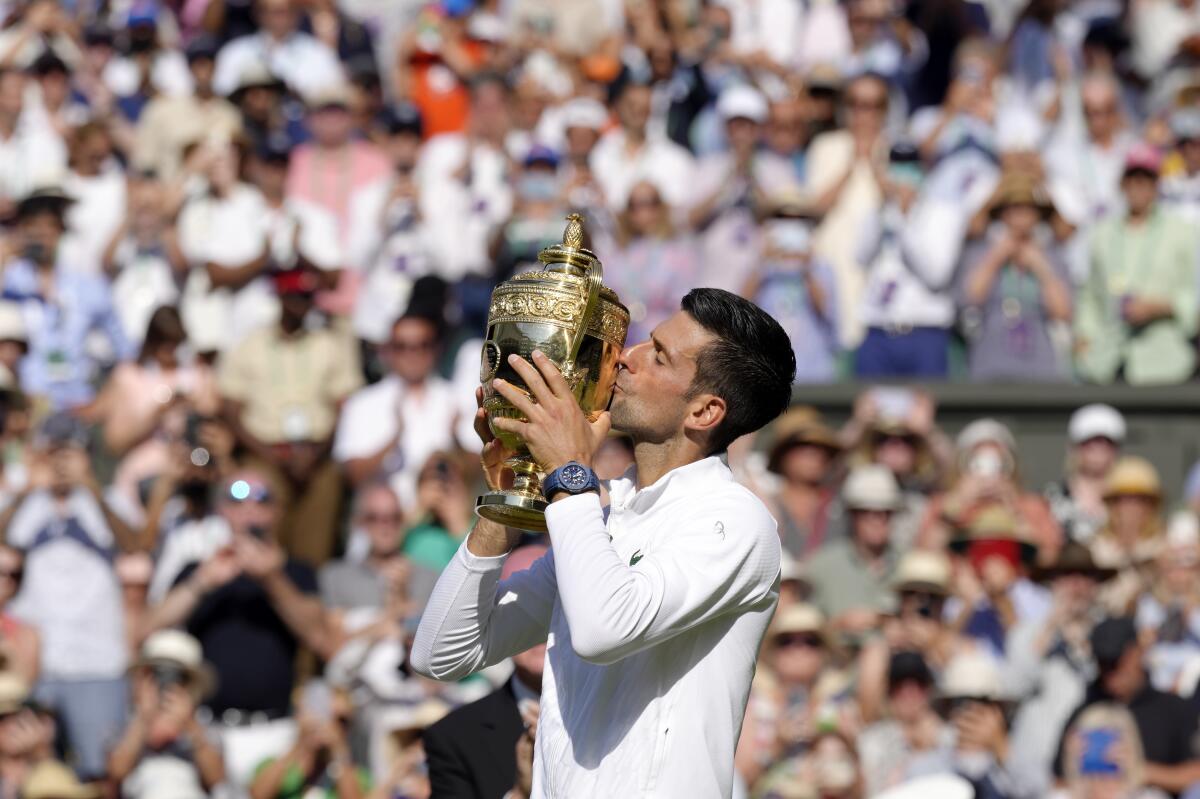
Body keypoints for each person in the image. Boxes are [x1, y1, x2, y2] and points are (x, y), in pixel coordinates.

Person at [411, 287, 796, 796]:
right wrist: (511, 498)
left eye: (657, 354)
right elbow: (441, 653)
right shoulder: (603, 508)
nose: (625, 357)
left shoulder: (737, 520)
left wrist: (569, 473)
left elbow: (602, 631)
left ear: (704, 412)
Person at [146, 470, 332, 787]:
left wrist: (272, 579)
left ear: (276, 511)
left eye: (261, 499)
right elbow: (148, 628)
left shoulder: (297, 572)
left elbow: (320, 639)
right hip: (207, 729)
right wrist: (202, 582)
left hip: (274, 732)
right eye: (236, 499)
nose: (248, 509)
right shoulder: (198, 569)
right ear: (222, 510)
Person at [4, 414, 140, 779]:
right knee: (27, 772)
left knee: (99, 772)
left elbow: (137, 546)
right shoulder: (22, 501)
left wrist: (92, 489)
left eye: (70, 452)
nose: (61, 462)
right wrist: (25, 490)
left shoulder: (108, 499)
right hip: (34, 664)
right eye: (53, 452)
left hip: (97, 662)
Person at [218, 263, 363, 566]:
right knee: (261, 522)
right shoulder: (250, 344)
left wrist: (317, 452)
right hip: (264, 454)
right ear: (281, 298)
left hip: (317, 456)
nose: (302, 303)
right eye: (295, 296)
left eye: (308, 296)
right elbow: (230, 410)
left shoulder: (329, 343)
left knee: (315, 540)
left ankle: (308, 592)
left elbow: (344, 407)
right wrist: (271, 456)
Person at [423, 546, 548, 799]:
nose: (538, 629)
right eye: (521, 612)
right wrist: (520, 794)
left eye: (551, 610)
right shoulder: (455, 738)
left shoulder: (624, 710)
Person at [1075, 143, 1200, 385]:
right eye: (1133, 179)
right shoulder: (1103, 234)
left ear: (1156, 185)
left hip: (1165, 361)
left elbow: (1195, 296)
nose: (1138, 187)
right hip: (1107, 360)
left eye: (1146, 180)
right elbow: (1089, 294)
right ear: (1123, 183)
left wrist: (1162, 307)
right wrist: (1083, 336)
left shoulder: (1184, 233)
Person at [0, 187, 132, 409]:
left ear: (61, 231)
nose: (41, 234)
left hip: (78, 403)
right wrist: (8, 250)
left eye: (49, 226)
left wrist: (102, 402)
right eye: (33, 226)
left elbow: (126, 351)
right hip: (25, 404)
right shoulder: (10, 281)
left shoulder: (85, 286)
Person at [1006, 541, 1116, 795]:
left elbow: (1110, 686)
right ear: (1053, 583)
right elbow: (1014, 687)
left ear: (1096, 585)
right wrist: (1050, 628)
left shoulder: (1107, 632)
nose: (1076, 586)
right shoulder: (1027, 632)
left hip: (1091, 768)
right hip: (1036, 765)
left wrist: (1085, 644)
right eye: (1068, 576)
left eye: (1085, 577)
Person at [333, 311, 467, 509]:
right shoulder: (361, 403)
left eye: (422, 345)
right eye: (402, 347)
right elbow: (353, 476)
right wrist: (394, 438)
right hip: (385, 525)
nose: (412, 354)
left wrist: (457, 440)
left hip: (444, 527)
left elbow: (480, 473)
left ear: (436, 348)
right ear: (387, 351)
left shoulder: (456, 399)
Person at [1056, 617, 1200, 797]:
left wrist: (1141, 771)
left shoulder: (1174, 709)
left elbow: (1196, 774)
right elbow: (1057, 781)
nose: (1110, 672)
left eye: (1116, 661)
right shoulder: (1085, 711)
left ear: (1137, 652)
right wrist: (1073, 765)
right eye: (1103, 662)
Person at [958, 169, 1073, 381]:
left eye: (1027, 209)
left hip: (1040, 366)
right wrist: (996, 257)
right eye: (1013, 209)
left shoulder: (1051, 254)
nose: (1020, 217)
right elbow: (970, 297)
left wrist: (1040, 267)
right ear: (1002, 213)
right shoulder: (982, 250)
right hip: (990, 364)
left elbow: (1063, 311)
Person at [107, 630, 226, 798]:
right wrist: (143, 720)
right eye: (156, 673)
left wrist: (190, 725)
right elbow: (117, 772)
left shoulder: (205, 723)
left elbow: (217, 779)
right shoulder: (125, 722)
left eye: (178, 676)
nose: (166, 684)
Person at [743, 188, 840, 383]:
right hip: (769, 376)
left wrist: (806, 266)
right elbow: (741, 308)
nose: (790, 225)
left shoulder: (821, 267)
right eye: (782, 218)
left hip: (813, 374)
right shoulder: (759, 267)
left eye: (798, 220)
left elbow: (827, 313)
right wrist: (763, 262)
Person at [600, 181, 702, 346]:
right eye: (634, 205)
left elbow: (684, 304)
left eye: (650, 203)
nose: (642, 211)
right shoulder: (615, 253)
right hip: (620, 335)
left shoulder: (680, 253)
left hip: (659, 339)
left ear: (661, 207)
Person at [807, 464, 903, 628]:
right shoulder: (820, 566)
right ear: (851, 515)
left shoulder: (909, 565)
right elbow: (802, 632)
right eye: (866, 512)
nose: (877, 520)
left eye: (886, 512)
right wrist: (837, 626)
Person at [249, 681, 372, 799]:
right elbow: (258, 795)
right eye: (325, 715)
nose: (332, 726)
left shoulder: (357, 775)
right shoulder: (272, 764)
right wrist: (300, 745)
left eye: (342, 721)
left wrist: (339, 751)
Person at [758, 407, 844, 560]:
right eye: (803, 447)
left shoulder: (841, 507)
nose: (814, 455)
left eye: (820, 448)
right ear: (782, 455)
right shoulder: (764, 507)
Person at [212, 0, 343, 99]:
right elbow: (222, 93)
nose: (280, 19)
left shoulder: (319, 53)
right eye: (274, 12)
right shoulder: (235, 53)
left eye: (286, 11)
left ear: (296, 14)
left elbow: (334, 95)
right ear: (258, 14)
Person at [1046, 404, 1126, 545]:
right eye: (1089, 442)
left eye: (1107, 442)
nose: (1098, 448)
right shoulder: (1052, 499)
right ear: (1073, 448)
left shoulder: (1128, 499)